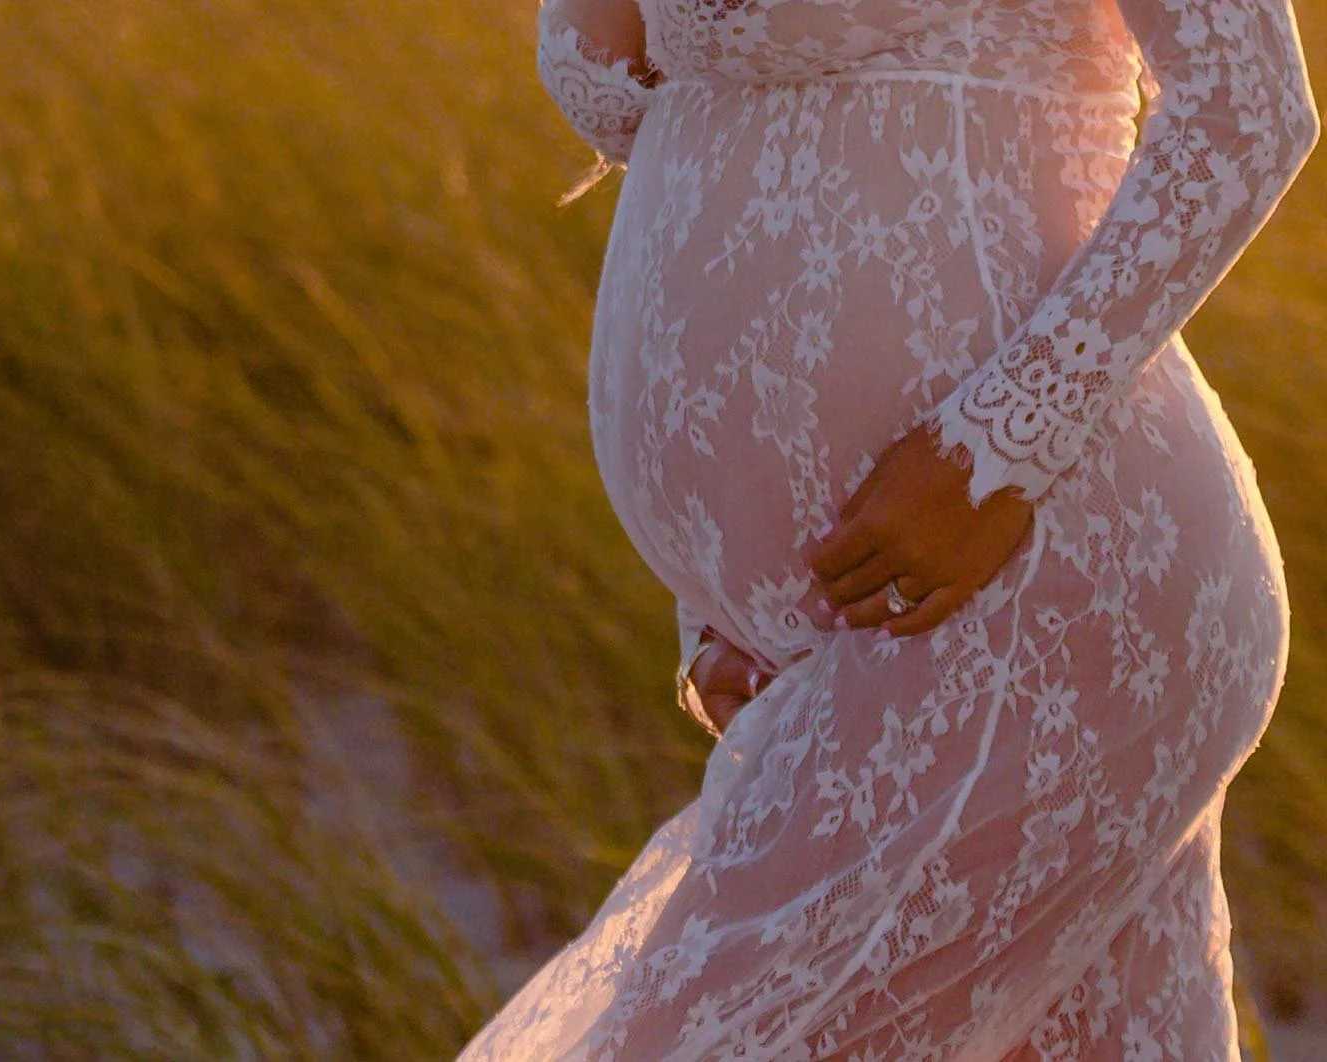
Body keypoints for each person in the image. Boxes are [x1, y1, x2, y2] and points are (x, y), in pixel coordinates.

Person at [460, 0, 1320, 1057]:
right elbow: (686, 123)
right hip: (862, 624)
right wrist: (719, 575)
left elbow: (1246, 109)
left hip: (1036, 587)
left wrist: (993, 448)